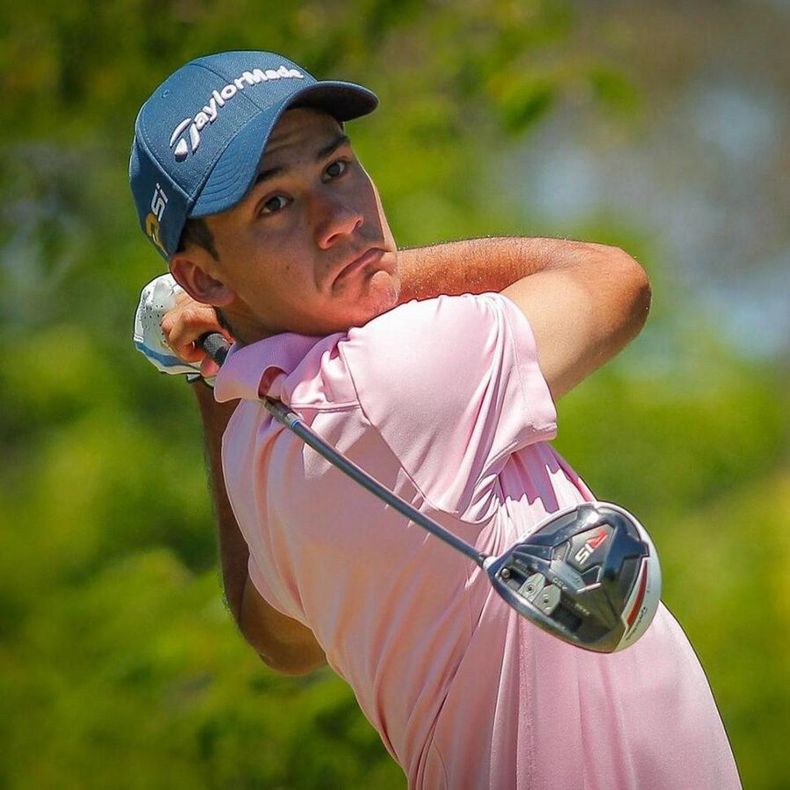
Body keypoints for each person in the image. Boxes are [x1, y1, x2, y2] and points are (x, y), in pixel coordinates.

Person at [130, 51, 741, 789]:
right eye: (275, 205)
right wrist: (382, 268)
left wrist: (213, 368)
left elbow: (278, 639)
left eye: (336, 169)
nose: (340, 219)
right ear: (205, 277)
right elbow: (615, 281)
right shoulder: (393, 376)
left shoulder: (254, 455)